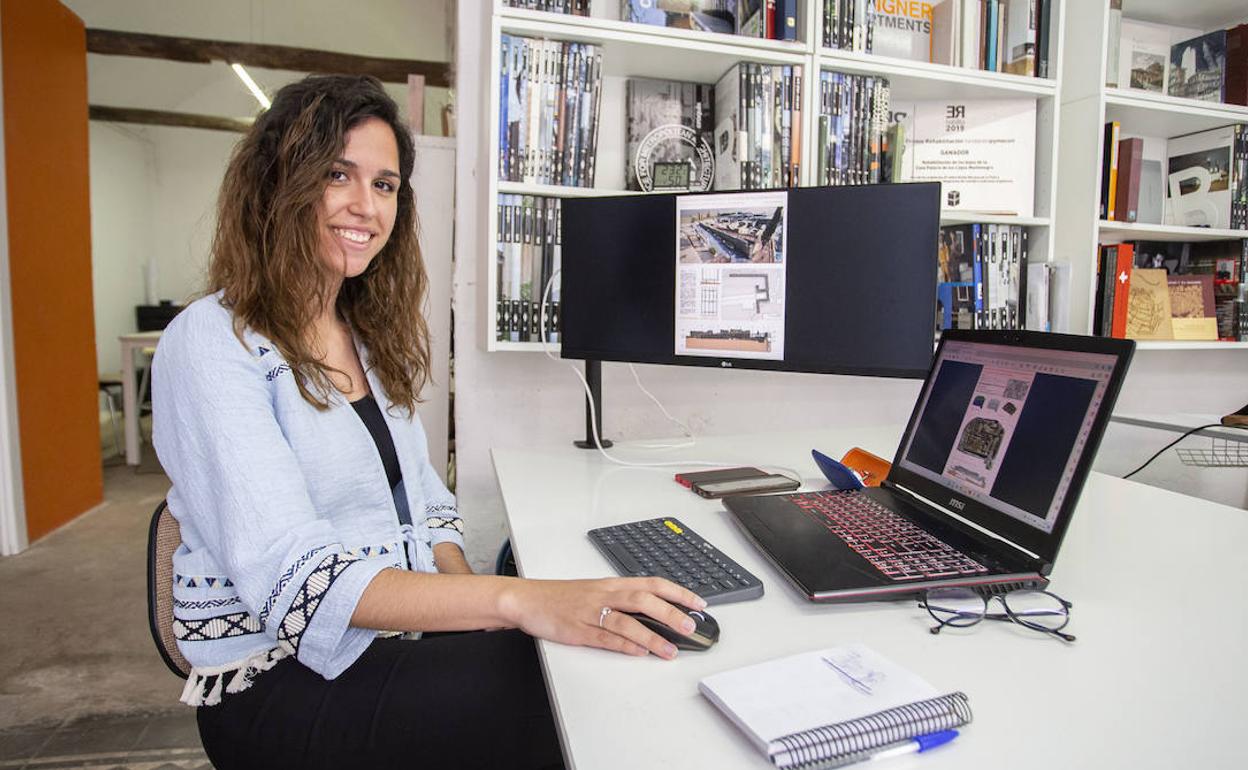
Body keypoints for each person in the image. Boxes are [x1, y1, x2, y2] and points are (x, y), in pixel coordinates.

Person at [151, 74, 705, 770]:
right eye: (337, 175)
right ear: (277, 183)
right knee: (570, 690)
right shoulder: (212, 342)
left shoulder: (361, 335)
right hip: (281, 684)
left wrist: (473, 613)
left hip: (385, 646)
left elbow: (429, 507)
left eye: (384, 185)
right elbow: (299, 585)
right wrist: (517, 602)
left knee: (577, 653)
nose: (365, 205)